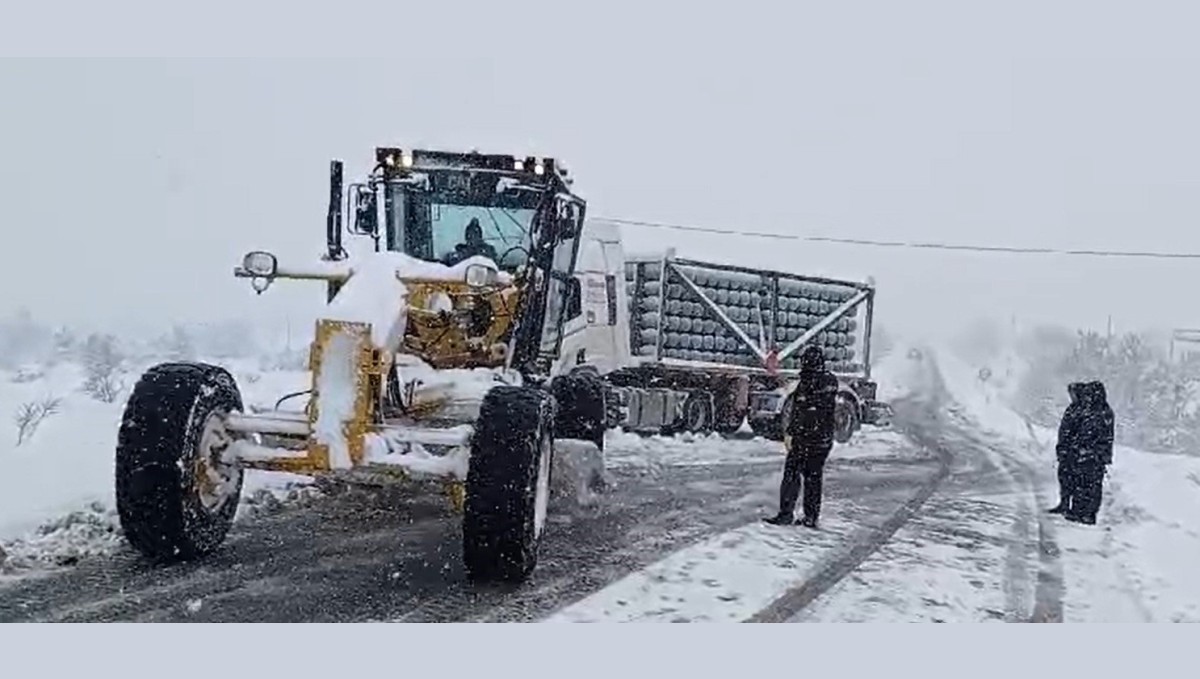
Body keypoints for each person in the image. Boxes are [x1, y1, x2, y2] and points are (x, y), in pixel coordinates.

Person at [765, 345, 839, 528]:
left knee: (797, 476)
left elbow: (806, 412)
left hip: (810, 438)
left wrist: (793, 432)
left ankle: (792, 515)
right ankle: (806, 516)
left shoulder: (815, 382)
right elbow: (805, 410)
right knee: (808, 477)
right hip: (817, 439)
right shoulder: (822, 381)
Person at [1066, 381, 1114, 525]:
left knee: (1089, 485)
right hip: (1089, 454)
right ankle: (1081, 512)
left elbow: (1103, 436)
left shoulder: (1100, 412)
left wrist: (1089, 449)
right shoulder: (1097, 410)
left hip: (1093, 455)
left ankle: (1087, 513)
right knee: (1084, 483)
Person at [1048, 382, 1085, 515]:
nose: (1071, 395)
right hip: (1066, 450)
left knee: (1074, 480)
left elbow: (1081, 432)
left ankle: (1074, 508)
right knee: (1063, 478)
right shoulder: (1072, 408)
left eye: (1072, 393)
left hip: (1075, 452)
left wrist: (1075, 446)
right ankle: (1063, 504)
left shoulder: (1083, 410)